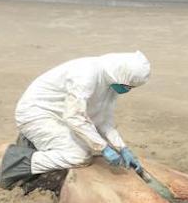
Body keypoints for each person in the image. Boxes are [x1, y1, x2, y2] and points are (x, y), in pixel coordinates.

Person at [14, 51, 151, 175]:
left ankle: (42, 143)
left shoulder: (111, 82)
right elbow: (74, 116)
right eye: (128, 86)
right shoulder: (86, 75)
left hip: (61, 114)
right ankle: (16, 163)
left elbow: (103, 121)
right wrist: (103, 148)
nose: (128, 90)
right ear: (121, 75)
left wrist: (122, 148)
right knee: (79, 156)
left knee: (86, 142)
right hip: (37, 113)